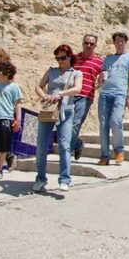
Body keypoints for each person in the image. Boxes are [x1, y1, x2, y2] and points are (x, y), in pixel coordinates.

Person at [33, 44, 84, 193]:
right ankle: (41, 178)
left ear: (70, 57)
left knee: (64, 145)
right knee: (41, 145)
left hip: (66, 111)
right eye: (57, 58)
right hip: (49, 109)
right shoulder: (51, 71)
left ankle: (64, 179)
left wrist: (60, 94)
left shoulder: (76, 73)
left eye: (63, 58)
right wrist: (44, 96)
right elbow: (39, 86)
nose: (60, 61)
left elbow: (78, 89)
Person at [97, 31, 129, 166]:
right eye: (117, 41)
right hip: (105, 94)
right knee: (103, 125)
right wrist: (101, 79)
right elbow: (101, 80)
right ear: (114, 43)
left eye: (122, 41)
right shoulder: (108, 59)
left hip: (120, 94)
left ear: (125, 43)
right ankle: (104, 155)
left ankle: (119, 150)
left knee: (115, 121)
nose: (119, 43)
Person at [71, 34, 103, 162]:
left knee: (75, 124)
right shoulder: (74, 58)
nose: (88, 45)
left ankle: (67, 152)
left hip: (85, 97)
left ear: (95, 45)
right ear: (83, 43)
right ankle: (77, 144)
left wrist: (97, 85)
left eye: (92, 44)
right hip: (69, 96)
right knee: (64, 124)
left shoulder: (99, 61)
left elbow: (103, 77)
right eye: (86, 43)